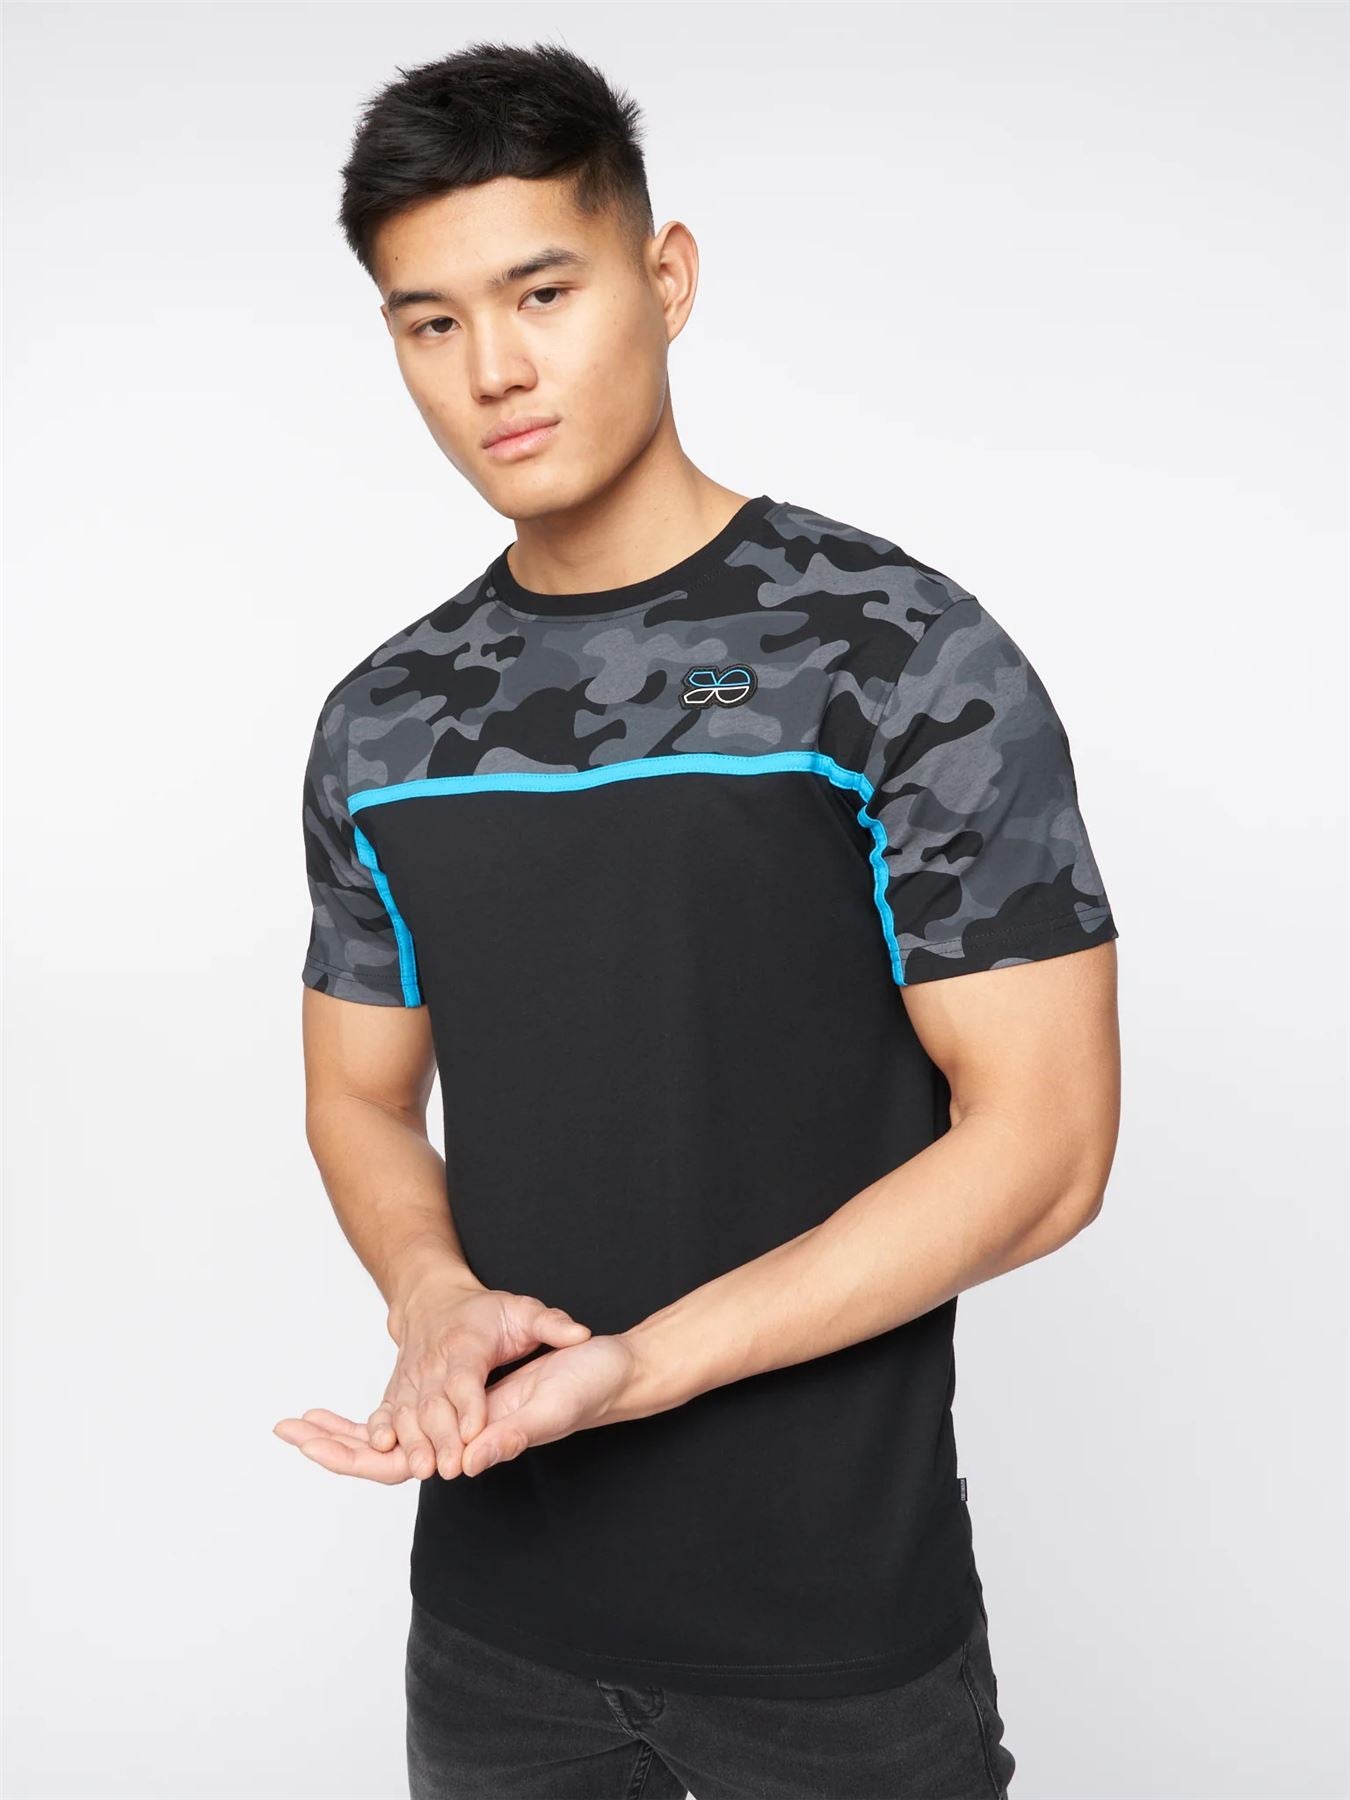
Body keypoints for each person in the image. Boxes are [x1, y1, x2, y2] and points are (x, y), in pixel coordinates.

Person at [273, 38, 1121, 1800]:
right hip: (494, 1643)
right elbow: (359, 1095)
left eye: (542, 291)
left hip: (834, 1653)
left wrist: (640, 1369)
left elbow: (1043, 1151)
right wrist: (429, 1295)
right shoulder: (383, 723)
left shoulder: (897, 655)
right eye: (429, 322)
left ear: (663, 279)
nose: (492, 370)